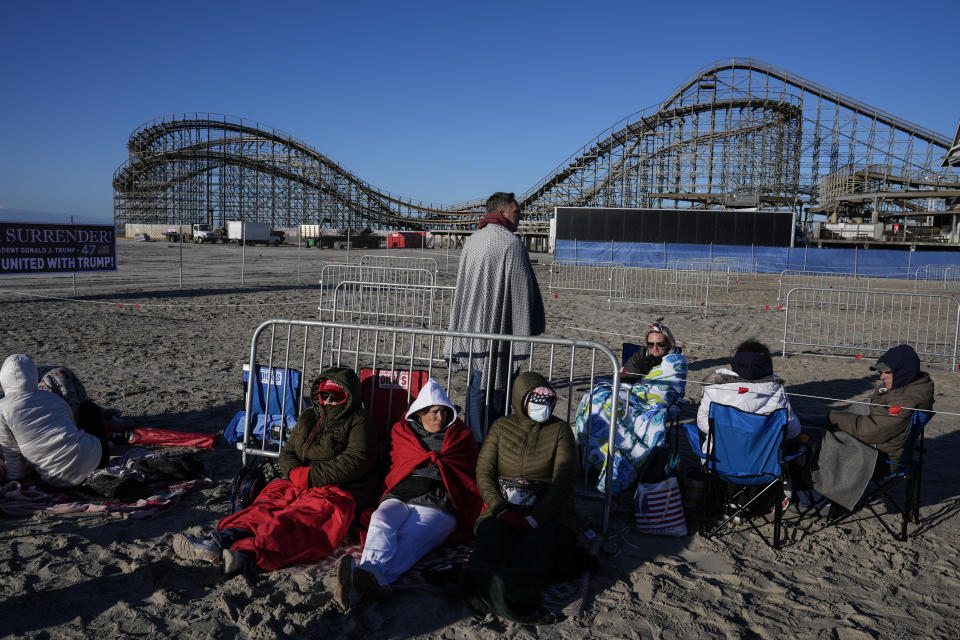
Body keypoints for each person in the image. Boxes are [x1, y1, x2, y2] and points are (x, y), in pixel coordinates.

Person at [173, 367, 379, 574]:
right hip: (298, 481)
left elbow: (354, 460)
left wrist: (310, 476)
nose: (327, 401)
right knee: (266, 506)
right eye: (323, 394)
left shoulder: (359, 421)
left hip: (338, 488)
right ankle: (218, 542)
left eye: (335, 396)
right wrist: (294, 472)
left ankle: (247, 554)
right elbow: (288, 452)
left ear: (349, 397)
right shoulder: (309, 417)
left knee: (298, 520)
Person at [334, 378, 482, 611]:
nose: (440, 418)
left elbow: (466, 474)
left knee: (410, 541)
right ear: (420, 413)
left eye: (444, 412)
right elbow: (397, 464)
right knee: (381, 520)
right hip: (402, 493)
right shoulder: (402, 432)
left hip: (439, 502)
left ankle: (361, 581)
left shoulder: (460, 436)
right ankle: (370, 575)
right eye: (434, 412)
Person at [458, 371, 579, 625]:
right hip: (503, 508)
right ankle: (475, 589)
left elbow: (563, 481)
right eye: (535, 400)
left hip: (549, 514)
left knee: (533, 548)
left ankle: (513, 598)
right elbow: (484, 472)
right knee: (491, 539)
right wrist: (501, 510)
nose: (542, 407)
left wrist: (535, 519)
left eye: (547, 401)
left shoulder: (560, 431)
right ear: (520, 400)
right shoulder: (501, 427)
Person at [448, 192, 546, 442]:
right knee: (498, 386)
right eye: (517, 211)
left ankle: (473, 439)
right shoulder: (510, 243)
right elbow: (523, 292)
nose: (521, 215)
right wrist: (530, 323)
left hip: (473, 326)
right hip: (500, 328)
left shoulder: (473, 239)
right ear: (502, 213)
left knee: (477, 383)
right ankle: (489, 441)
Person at [0, 354, 106, 487]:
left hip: (59, 478)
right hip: (97, 459)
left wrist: (14, 478)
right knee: (89, 408)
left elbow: (11, 450)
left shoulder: (2, 408)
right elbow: (71, 424)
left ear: (4, 379)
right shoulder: (53, 398)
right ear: (33, 375)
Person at [828, 344, 934, 464]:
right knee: (814, 428)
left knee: (818, 445)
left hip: (879, 456)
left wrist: (832, 418)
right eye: (881, 371)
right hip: (870, 443)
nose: (882, 376)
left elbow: (869, 431)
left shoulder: (906, 399)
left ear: (903, 371)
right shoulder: (901, 385)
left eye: (887, 372)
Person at [696, 339, 801, 456]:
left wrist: (728, 432)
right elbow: (793, 430)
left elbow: (702, 422)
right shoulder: (777, 389)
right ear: (766, 364)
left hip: (719, 461)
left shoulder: (716, 387)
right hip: (764, 465)